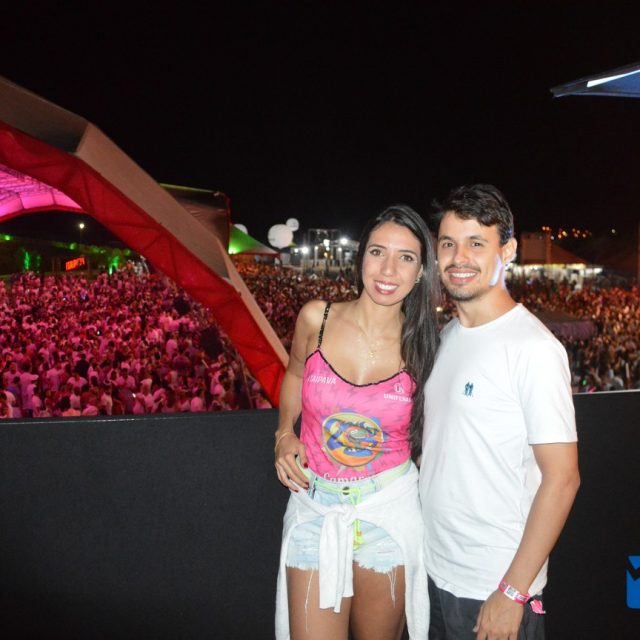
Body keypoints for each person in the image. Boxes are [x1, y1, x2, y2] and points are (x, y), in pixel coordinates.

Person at [419, 184, 580, 640]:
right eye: (448, 243)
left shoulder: (533, 349)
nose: (459, 257)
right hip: (434, 569)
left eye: (476, 243)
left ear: (506, 251)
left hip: (493, 585)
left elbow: (563, 479)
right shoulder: (446, 337)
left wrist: (512, 591)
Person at [274, 205, 440, 640]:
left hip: (387, 513)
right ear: (361, 256)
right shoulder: (317, 318)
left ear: (421, 271)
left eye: (406, 257)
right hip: (314, 508)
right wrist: (284, 433)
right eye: (377, 252)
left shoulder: (426, 345)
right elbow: (294, 375)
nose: (388, 269)